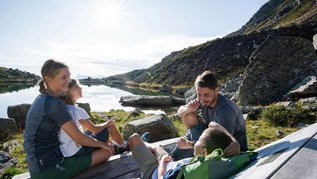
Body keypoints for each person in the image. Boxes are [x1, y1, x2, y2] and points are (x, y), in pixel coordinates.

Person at [23, 59, 114, 179]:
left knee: (100, 146)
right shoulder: (54, 103)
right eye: (64, 77)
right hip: (48, 169)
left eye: (69, 77)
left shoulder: (42, 98)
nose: (68, 81)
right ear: (48, 78)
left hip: (38, 165)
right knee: (108, 151)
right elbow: (79, 138)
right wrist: (104, 145)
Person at [173, 70, 247, 160]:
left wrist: (190, 144)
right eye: (199, 94)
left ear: (216, 90)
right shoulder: (202, 99)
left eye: (206, 95)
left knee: (212, 125)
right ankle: (193, 146)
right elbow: (180, 112)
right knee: (188, 115)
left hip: (230, 150)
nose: (202, 99)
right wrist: (189, 109)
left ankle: (194, 148)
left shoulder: (225, 110)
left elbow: (221, 145)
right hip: (211, 136)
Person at [129, 122, 233, 179]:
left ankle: (133, 145)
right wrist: (190, 145)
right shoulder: (210, 162)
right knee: (158, 148)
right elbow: (213, 124)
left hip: (154, 170)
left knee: (134, 138)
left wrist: (162, 162)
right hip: (170, 163)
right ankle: (146, 144)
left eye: (198, 141)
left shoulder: (192, 172)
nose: (195, 142)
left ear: (204, 151)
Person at [58, 79, 128, 157]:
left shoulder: (65, 108)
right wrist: (107, 123)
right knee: (110, 127)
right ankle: (124, 147)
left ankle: (114, 145)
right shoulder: (77, 111)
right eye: (77, 87)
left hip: (67, 149)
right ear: (70, 91)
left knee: (88, 132)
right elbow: (94, 129)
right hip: (78, 149)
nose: (81, 88)